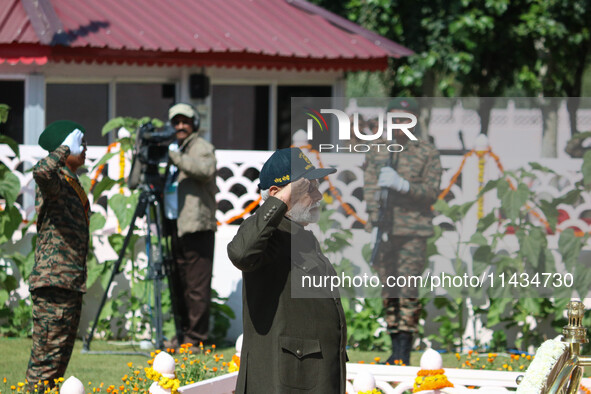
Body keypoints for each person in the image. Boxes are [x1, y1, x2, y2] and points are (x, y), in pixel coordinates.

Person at [227, 148, 347, 394]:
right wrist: (282, 199)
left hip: (308, 377)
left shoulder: (299, 235)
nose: (318, 196)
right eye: (308, 188)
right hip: (285, 381)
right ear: (276, 193)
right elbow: (240, 253)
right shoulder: (267, 234)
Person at [363, 98, 442, 366]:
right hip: (385, 231)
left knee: (407, 288)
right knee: (389, 289)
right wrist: (376, 224)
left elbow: (431, 192)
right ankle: (393, 349)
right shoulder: (378, 151)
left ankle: (404, 352)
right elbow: (371, 190)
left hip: (412, 232)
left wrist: (404, 186)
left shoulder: (426, 152)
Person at [26, 120, 89, 389]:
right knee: (44, 366)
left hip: (70, 283)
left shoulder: (72, 181)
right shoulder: (56, 182)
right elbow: (40, 171)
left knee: (58, 367)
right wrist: (64, 147)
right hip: (54, 283)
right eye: (79, 143)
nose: (84, 148)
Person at [164, 103, 218, 346]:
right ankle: (183, 334)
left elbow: (204, 169)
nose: (180, 126)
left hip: (197, 226)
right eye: (176, 122)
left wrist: (174, 156)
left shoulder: (201, 148)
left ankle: (196, 339)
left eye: (185, 121)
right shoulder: (176, 149)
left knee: (196, 287)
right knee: (179, 285)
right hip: (175, 226)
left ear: (194, 124)